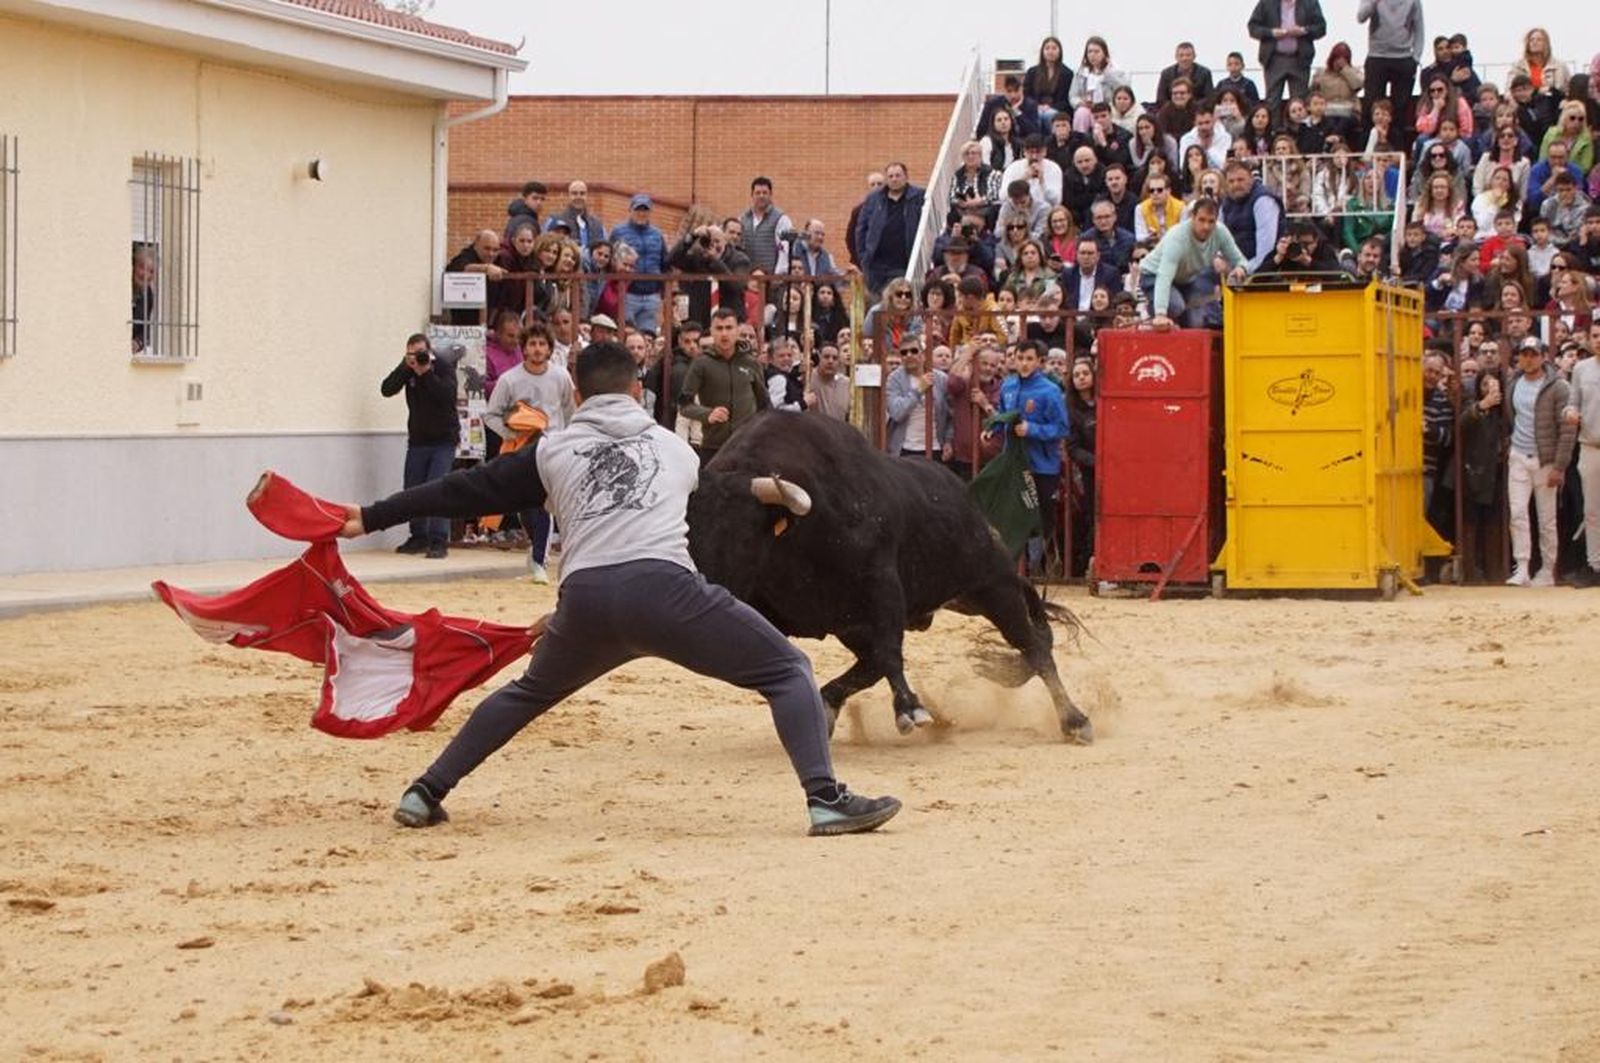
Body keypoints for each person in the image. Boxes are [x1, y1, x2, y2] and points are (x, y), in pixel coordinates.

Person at [340, 342, 900, 836]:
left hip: (584, 600)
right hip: (666, 593)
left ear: (577, 394)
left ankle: (426, 790)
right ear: (637, 389)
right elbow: (717, 507)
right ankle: (825, 800)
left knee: (526, 695)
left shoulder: (551, 450)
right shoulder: (676, 451)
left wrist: (371, 515)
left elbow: (460, 491)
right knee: (788, 671)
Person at [484, 322, 576, 583]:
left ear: (549, 348)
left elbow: (570, 412)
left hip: (552, 448)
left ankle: (539, 560)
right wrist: (511, 434)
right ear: (524, 349)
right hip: (520, 450)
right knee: (524, 505)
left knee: (543, 504)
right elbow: (491, 414)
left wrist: (568, 440)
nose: (537, 349)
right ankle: (535, 551)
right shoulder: (509, 380)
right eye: (532, 344)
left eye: (542, 344)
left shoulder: (560, 377)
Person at [1503, 337, 1576, 586]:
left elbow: (1567, 430)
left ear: (1544, 356)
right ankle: (1522, 566)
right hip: (1519, 455)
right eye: (1524, 354)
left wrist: (1559, 465)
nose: (1529, 358)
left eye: (1533, 354)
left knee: (1546, 519)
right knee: (1518, 513)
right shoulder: (1513, 383)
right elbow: (1511, 417)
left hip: (1545, 459)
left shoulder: (1558, 387)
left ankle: (1547, 569)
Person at [379, 334, 458, 560]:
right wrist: (406, 368)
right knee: (412, 488)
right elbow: (386, 389)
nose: (418, 358)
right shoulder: (408, 369)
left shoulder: (442, 367)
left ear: (430, 351)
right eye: (412, 354)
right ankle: (419, 536)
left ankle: (439, 539)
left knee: (438, 487)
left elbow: (446, 396)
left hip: (443, 440)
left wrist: (426, 374)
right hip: (418, 440)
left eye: (421, 353)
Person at [996, 339, 1071, 574]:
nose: (1024, 363)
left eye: (1029, 359)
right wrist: (993, 428)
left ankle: (1044, 561)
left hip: (1042, 464)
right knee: (1014, 514)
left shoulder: (1050, 391)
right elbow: (1003, 415)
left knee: (1040, 516)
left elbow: (1061, 428)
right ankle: (1019, 566)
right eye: (1020, 358)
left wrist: (1033, 430)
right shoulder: (1007, 386)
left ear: (1040, 362)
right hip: (1015, 462)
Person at [677, 307, 770, 463]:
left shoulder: (751, 363)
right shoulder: (701, 364)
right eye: (719, 328)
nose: (724, 334)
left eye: (729, 328)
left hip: (746, 447)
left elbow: (765, 405)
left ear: (737, 331)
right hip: (713, 448)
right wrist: (708, 414)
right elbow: (684, 405)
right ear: (712, 332)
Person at [1141, 197, 1249, 329]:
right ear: (1192, 217)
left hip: (1185, 280)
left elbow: (1240, 259)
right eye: (1201, 220)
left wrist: (1241, 268)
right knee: (1176, 306)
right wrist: (1160, 313)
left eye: (1211, 221)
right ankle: (1152, 312)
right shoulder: (1177, 237)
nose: (1206, 226)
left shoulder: (1220, 232)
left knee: (1197, 323)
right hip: (1153, 275)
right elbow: (1164, 275)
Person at [854, 162, 925, 295]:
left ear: (906, 177)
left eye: (898, 175)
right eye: (890, 176)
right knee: (878, 310)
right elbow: (861, 229)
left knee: (902, 304)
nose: (894, 179)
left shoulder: (918, 197)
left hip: (904, 265)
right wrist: (864, 257)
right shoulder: (874, 199)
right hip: (876, 269)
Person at [1357, 0, 1426, 133]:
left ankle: (1396, 146)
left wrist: (1415, 58)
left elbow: (1419, 28)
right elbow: (1361, 17)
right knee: (1372, 105)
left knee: (1399, 109)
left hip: (1404, 58)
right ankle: (1369, 146)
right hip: (1377, 57)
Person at [1247, 0, 1327, 108]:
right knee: (1272, 101)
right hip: (1274, 59)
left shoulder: (1310, 3)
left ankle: (1298, 125)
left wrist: (1304, 31)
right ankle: (1274, 125)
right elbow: (1253, 27)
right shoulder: (1266, 3)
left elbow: (1321, 27)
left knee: (1299, 102)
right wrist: (1271, 33)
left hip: (1299, 59)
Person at [1565, 339, 1600, 586]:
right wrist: (1569, 413)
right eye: (1596, 335)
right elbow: (1572, 403)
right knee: (1592, 511)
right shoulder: (1581, 369)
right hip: (1590, 445)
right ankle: (1595, 565)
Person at [945, 343, 1002, 480]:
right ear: (974, 364)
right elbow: (951, 382)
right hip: (963, 458)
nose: (988, 369)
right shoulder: (963, 384)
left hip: (990, 459)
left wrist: (985, 404)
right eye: (984, 364)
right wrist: (967, 355)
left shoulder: (1001, 388)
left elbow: (1003, 420)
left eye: (992, 365)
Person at [611, 194, 667, 334]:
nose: (641, 213)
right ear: (630, 210)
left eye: (645, 210)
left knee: (648, 336)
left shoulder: (657, 234)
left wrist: (664, 291)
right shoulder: (618, 232)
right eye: (638, 209)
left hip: (652, 295)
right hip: (627, 293)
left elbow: (664, 262)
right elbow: (610, 260)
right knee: (626, 334)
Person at [885, 340, 951, 459]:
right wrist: (919, 389)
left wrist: (948, 440)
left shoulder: (941, 378)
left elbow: (951, 414)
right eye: (904, 353)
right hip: (905, 449)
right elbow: (896, 413)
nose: (909, 355)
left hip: (935, 448)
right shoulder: (894, 379)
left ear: (923, 355)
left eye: (914, 351)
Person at [1221, 160, 1283, 274]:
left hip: (1260, 271)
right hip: (1232, 266)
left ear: (1251, 179)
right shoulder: (1226, 201)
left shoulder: (1263, 201)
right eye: (1231, 181)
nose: (1236, 185)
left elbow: (1265, 253)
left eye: (1240, 180)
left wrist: (1243, 269)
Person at [739, 177, 794, 274]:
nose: (761, 196)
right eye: (758, 193)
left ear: (770, 195)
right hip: (747, 279)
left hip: (771, 279)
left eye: (765, 193)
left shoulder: (781, 219)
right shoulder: (742, 219)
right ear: (752, 195)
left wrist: (778, 277)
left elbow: (784, 251)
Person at [544, 181, 605, 249]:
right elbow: (544, 245)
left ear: (587, 196)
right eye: (574, 193)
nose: (578, 197)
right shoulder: (555, 220)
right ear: (568, 196)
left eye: (582, 193)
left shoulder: (597, 224)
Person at [1155, 42, 1215, 107]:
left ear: (1194, 56)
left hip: (1197, 110)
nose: (1184, 58)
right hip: (1172, 110)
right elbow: (1161, 98)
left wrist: (1190, 106)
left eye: (1188, 55)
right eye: (1181, 55)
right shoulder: (1166, 73)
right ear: (1176, 57)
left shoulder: (1205, 73)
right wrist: (1177, 106)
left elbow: (1209, 97)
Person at [844, 171, 884, 267]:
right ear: (868, 188)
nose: (876, 187)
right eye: (872, 184)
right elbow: (850, 238)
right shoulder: (858, 211)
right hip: (865, 263)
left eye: (879, 184)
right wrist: (860, 260)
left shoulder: (892, 208)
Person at [805, 344, 851, 422]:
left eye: (835, 358)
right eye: (826, 357)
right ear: (819, 358)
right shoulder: (807, 378)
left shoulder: (846, 384)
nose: (830, 361)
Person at [131, 244, 156, 354]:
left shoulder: (148, 294)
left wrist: (137, 342)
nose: (146, 275)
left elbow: (145, 330)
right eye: (142, 267)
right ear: (133, 266)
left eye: (151, 271)